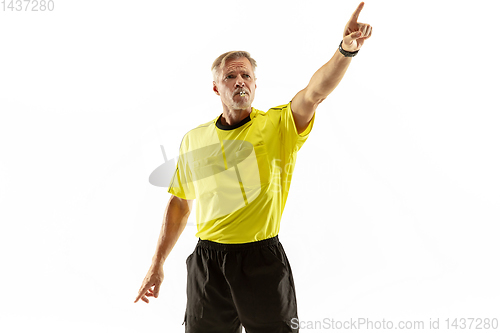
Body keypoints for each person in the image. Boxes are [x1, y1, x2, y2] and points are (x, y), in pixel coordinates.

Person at [135, 2, 372, 332]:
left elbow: (315, 92)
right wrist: (157, 263)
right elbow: (179, 202)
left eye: (246, 74)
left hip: (261, 261)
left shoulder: (278, 125)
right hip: (208, 263)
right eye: (230, 76)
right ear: (217, 88)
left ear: (256, 84)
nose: (240, 81)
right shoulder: (194, 139)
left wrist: (345, 51)